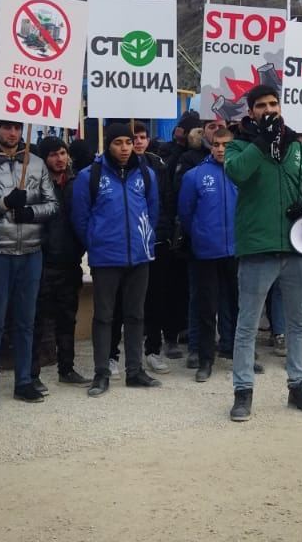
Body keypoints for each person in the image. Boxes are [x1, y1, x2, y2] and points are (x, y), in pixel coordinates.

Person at [224, 85, 302, 421]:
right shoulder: (239, 145)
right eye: (261, 106)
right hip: (258, 247)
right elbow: (238, 173)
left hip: (296, 247)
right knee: (248, 324)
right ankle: (243, 392)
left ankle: (299, 386)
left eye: (273, 103)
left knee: (299, 322)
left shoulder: (298, 148)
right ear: (251, 111)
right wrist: (260, 142)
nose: (268, 109)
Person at [0, 120, 58, 410]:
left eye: (17, 128)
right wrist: (4, 203)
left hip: (31, 251)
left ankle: (23, 382)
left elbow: (52, 204)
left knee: (25, 321)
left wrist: (29, 212)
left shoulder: (37, 163)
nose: (13, 133)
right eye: (7, 128)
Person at [71, 123, 163, 397]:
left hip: (139, 256)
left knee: (136, 315)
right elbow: (80, 217)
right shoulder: (91, 175)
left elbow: (153, 210)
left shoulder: (146, 173)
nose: (124, 148)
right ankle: (101, 374)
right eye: (118, 143)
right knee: (104, 317)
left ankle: (134, 371)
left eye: (128, 142)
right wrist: (97, 241)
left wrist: (143, 238)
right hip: (106, 258)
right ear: (107, 145)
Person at [177, 126, 238, 382]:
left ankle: (236, 353)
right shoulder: (195, 176)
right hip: (206, 252)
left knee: (235, 306)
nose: (221, 149)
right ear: (209, 145)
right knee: (206, 307)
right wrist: (201, 236)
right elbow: (186, 213)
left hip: (236, 250)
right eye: (216, 144)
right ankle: (205, 359)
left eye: (225, 144)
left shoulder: (242, 174)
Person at [33, 137, 90, 388]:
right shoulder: (37, 186)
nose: (60, 159)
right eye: (54, 154)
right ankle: (32, 373)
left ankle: (67, 368)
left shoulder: (77, 184)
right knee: (38, 321)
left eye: (63, 153)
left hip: (70, 262)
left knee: (68, 318)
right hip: (43, 263)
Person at [133, 121, 184, 372]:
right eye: (134, 138)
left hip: (155, 241)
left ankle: (153, 349)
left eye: (142, 137)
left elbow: (167, 202)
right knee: (128, 299)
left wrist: (161, 234)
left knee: (156, 297)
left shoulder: (158, 166)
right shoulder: (110, 169)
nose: (139, 142)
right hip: (127, 244)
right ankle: (116, 355)